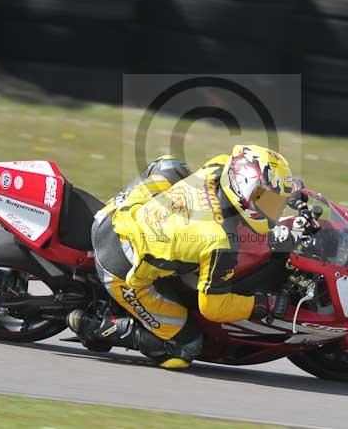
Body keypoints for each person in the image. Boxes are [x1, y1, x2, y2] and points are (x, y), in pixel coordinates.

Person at [67, 145, 301, 369]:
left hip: (126, 208)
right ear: (245, 191)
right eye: (268, 201)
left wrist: (290, 192)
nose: (274, 209)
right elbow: (214, 307)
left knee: (171, 165)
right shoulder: (220, 241)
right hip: (119, 263)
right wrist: (262, 304)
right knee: (186, 347)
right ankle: (97, 327)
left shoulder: (221, 167)